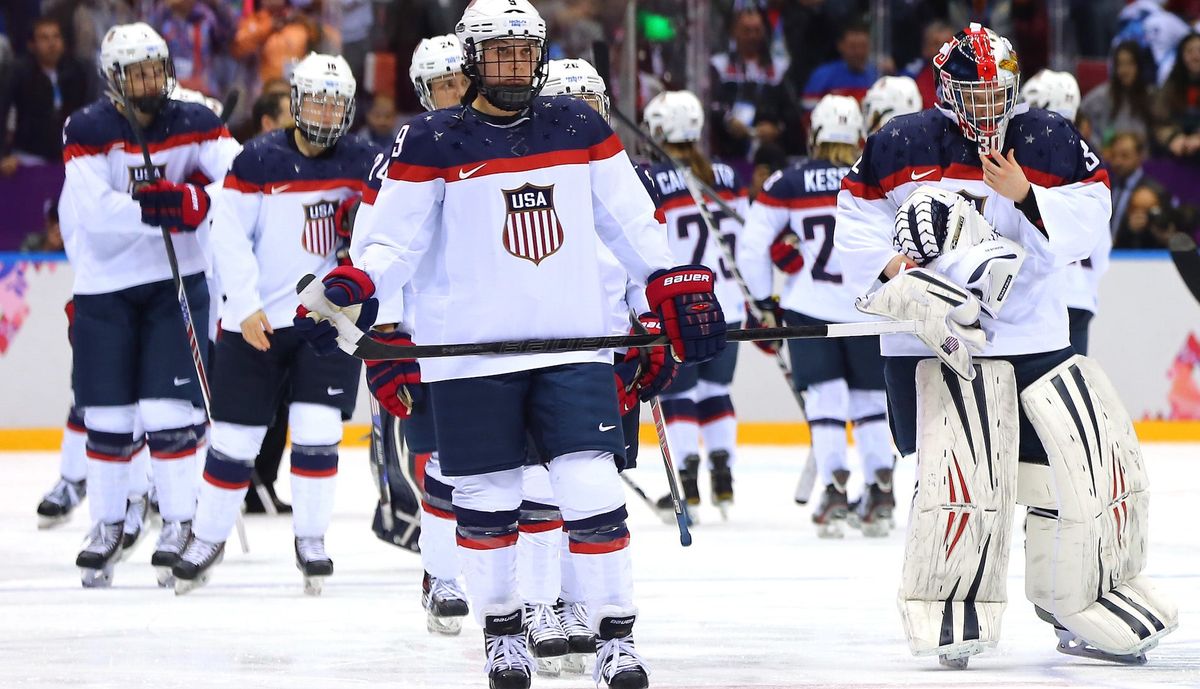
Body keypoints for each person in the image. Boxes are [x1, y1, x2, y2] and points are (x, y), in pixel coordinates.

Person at [301, 2, 725, 686]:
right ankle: (505, 633)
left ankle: (616, 633)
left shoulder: (579, 124)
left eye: (524, 52)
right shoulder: (431, 139)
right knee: (490, 499)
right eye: (499, 52)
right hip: (472, 354)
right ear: (471, 59)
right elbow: (392, 241)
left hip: (571, 344)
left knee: (590, 486)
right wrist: (358, 285)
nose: (514, 65)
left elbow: (629, 219)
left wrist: (667, 284)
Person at [836, 22, 1177, 668]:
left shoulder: (1045, 138)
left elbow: (1093, 206)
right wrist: (898, 273)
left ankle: (1071, 597)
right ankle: (949, 599)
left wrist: (1026, 197)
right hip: (936, 343)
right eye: (979, 95)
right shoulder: (901, 142)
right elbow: (855, 213)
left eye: (1001, 95)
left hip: (1032, 337)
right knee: (956, 478)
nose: (993, 110)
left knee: (1068, 473)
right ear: (948, 92)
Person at [171, 53, 375, 596]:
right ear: (294, 101)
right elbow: (227, 234)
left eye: (336, 104)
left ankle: (311, 538)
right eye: (316, 100)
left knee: (318, 431)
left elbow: (388, 232)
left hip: (325, 321)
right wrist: (243, 305)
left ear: (349, 108)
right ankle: (206, 536)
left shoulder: (366, 161)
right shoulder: (258, 159)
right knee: (235, 439)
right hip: (256, 319)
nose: (326, 113)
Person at [59, 22, 240, 588]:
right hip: (103, 286)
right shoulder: (86, 127)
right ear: (113, 77)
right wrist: (156, 209)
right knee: (108, 417)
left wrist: (191, 200)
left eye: (154, 68)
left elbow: (238, 180)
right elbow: (94, 213)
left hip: (176, 280)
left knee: (166, 413)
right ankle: (109, 524)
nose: (148, 80)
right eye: (135, 71)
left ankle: (181, 524)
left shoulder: (197, 119)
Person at [742, 94, 894, 538]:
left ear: (814, 135)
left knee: (825, 400)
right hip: (870, 308)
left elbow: (752, 247)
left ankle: (832, 487)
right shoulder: (878, 178)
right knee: (869, 402)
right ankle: (881, 487)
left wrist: (763, 300)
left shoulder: (788, 181)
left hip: (808, 310)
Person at [641, 90, 747, 522]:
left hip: (678, 309)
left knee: (680, 393)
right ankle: (723, 477)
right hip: (728, 304)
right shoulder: (726, 175)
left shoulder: (648, 180)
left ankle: (687, 483)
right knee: (715, 390)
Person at [1023, 69, 1111, 355]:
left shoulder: (1027, 159)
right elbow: (1100, 248)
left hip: (1040, 299)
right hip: (1081, 296)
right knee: (1069, 394)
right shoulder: (1089, 163)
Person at [0, 17, 90, 175]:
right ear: (31, 45)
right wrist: (3, 155)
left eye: (56, 37)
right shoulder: (18, 72)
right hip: (27, 156)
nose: (52, 43)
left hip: (70, 155)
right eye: (44, 38)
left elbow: (86, 112)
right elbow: (2, 111)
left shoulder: (76, 71)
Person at [709, 4, 792, 161]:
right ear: (734, 32)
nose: (752, 36)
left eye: (757, 31)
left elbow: (790, 112)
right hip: (728, 150)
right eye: (747, 31)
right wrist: (728, 120)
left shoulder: (780, 68)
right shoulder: (719, 65)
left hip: (768, 151)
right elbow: (711, 105)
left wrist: (776, 129)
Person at [1079, 41, 1157, 151]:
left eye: (1130, 63)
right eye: (1120, 64)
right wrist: (1096, 146)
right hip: (1106, 161)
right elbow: (1079, 117)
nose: (1124, 70)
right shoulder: (1102, 95)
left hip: (1142, 162)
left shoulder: (1151, 96)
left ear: (1139, 66)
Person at [802, 22, 877, 110]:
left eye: (863, 46)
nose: (858, 52)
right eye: (853, 47)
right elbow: (808, 110)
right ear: (840, 46)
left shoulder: (878, 75)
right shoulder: (822, 76)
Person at [1154, 33, 1200, 160]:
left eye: (1199, 51)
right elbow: (1158, 121)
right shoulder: (1171, 84)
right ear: (1181, 55)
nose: (1195, 56)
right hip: (1177, 148)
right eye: (1189, 51)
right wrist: (1172, 137)